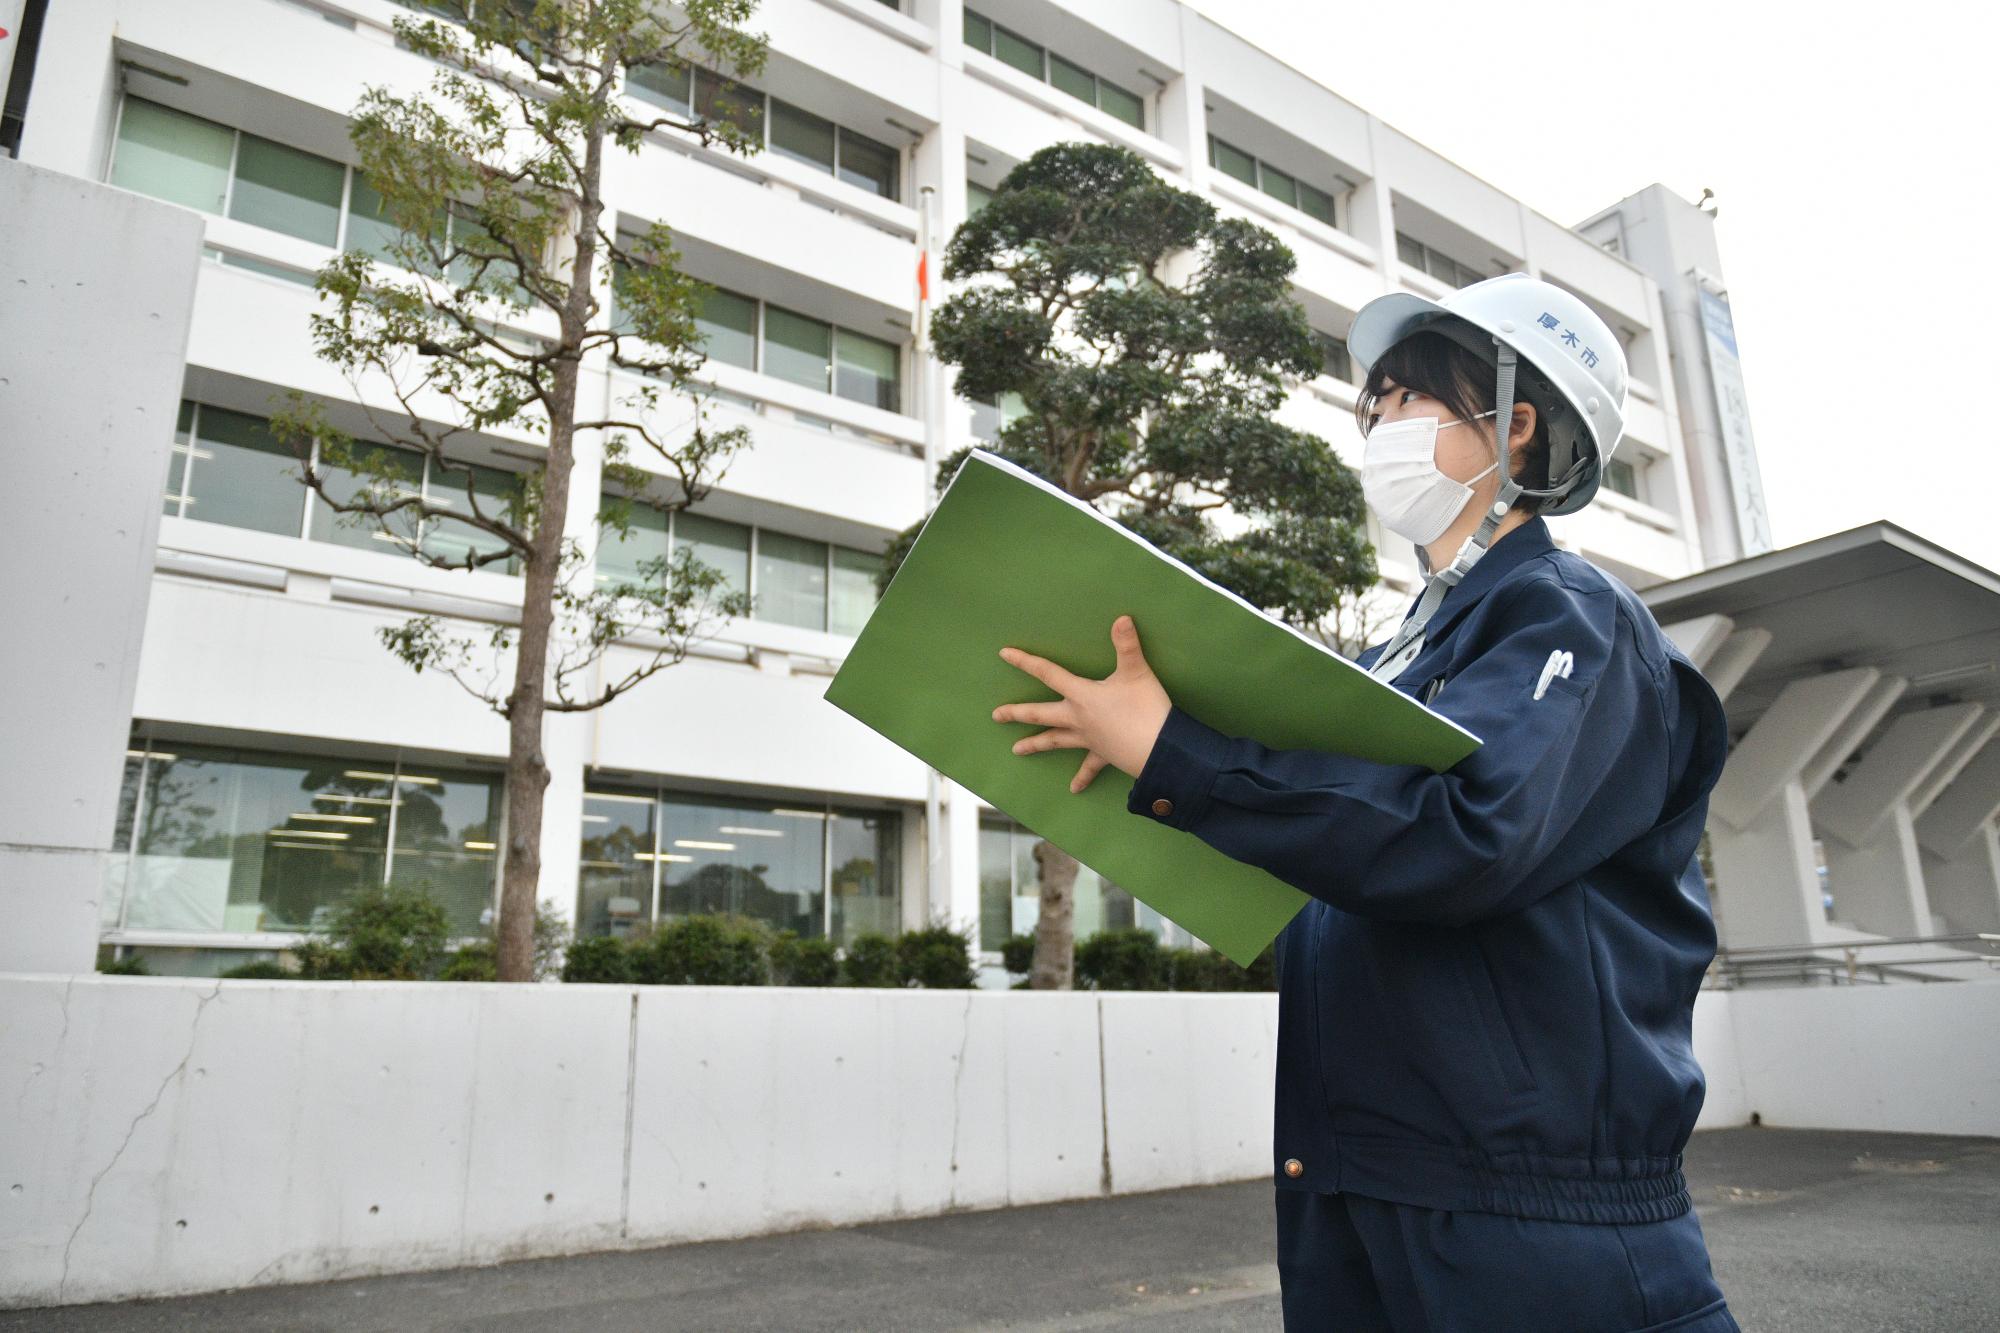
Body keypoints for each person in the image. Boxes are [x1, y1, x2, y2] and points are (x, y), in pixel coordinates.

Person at [991, 272, 1739, 1331]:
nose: (1378, 422)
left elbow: (1468, 836)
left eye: (1408, 397)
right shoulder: (1396, 652)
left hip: (1533, 1212)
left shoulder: (1568, 616)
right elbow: (1354, 858)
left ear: (1514, 425)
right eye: (1373, 403)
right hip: (1353, 1182)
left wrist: (1184, 760)